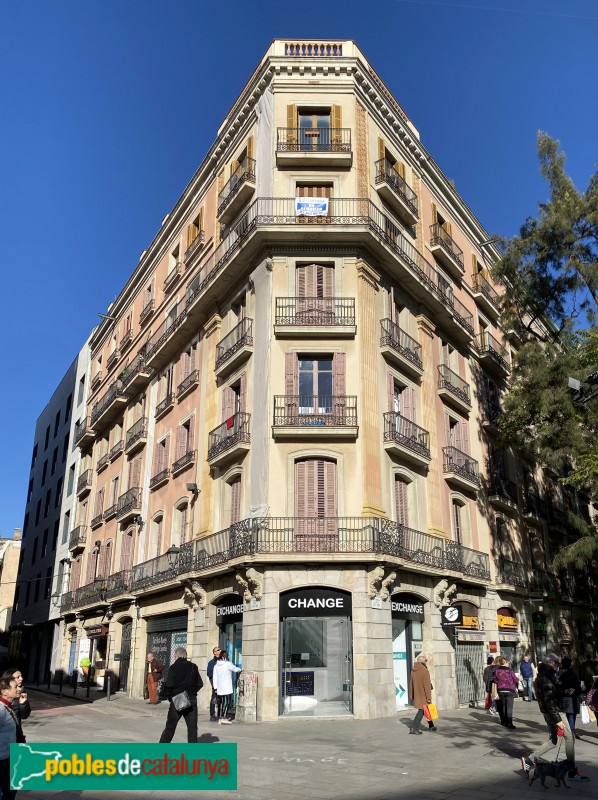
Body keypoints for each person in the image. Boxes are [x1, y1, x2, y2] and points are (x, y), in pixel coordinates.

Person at [521, 652, 589, 782]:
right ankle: (572, 771)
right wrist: (558, 720)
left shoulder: (546, 675)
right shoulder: (546, 676)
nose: (558, 665)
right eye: (557, 663)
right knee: (569, 738)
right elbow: (549, 700)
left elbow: (551, 693)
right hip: (555, 712)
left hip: (548, 712)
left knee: (554, 740)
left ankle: (529, 759)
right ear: (550, 663)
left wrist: (564, 691)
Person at [158, 647, 203, 743]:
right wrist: (192, 693)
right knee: (192, 728)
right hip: (191, 699)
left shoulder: (173, 667)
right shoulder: (193, 666)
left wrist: (170, 698)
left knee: (170, 727)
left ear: (176, 656)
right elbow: (200, 684)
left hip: (178, 698)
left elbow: (169, 686)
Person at [0, 675, 24, 800]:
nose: (18, 689)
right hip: (2, 759)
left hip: (8, 757)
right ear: (4, 691)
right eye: (15, 687)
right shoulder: (1, 709)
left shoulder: (8, 707)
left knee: (10, 790)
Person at [408, 654, 437, 734]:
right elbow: (427, 686)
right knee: (421, 711)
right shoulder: (425, 671)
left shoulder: (413, 671)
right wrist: (428, 697)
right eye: (425, 661)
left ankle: (431, 726)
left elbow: (411, 684)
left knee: (426, 710)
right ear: (422, 662)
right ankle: (414, 728)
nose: (426, 662)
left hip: (417, 694)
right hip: (423, 695)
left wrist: (412, 694)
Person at [213, 651, 242, 725]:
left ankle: (221, 716)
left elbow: (214, 677)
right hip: (227, 686)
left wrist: (215, 687)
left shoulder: (216, 666)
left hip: (220, 687)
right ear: (225, 656)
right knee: (228, 702)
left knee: (222, 702)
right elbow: (235, 669)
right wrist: (240, 670)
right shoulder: (228, 664)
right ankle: (224, 717)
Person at [557, 657, 582, 739]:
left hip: (565, 697)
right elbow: (577, 685)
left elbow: (558, 685)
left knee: (570, 715)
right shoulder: (572, 673)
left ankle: (571, 731)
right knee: (572, 715)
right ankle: (572, 731)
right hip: (573, 697)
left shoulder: (560, 673)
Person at [493, 656, 519, 729]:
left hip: (501, 690)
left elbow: (495, 680)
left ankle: (505, 722)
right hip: (510, 690)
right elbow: (515, 679)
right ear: (505, 663)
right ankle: (510, 723)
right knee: (509, 707)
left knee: (504, 706)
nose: (508, 664)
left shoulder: (497, 671)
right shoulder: (509, 670)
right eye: (507, 663)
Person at [207, 646, 222, 722]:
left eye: (220, 650)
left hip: (222, 683)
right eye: (218, 650)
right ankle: (212, 715)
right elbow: (209, 673)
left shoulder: (223, 661)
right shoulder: (211, 662)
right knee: (214, 698)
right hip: (215, 683)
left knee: (221, 698)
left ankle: (220, 714)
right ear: (214, 653)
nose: (220, 651)